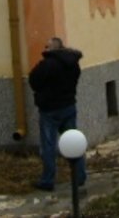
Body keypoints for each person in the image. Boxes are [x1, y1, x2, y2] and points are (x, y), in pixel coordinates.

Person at [28, 37, 86, 191]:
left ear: (53, 48)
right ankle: (80, 176)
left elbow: (33, 80)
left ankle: (47, 180)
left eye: (46, 46)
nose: (44, 49)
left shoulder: (47, 64)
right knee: (74, 142)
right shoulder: (73, 63)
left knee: (48, 146)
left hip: (50, 110)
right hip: (68, 106)